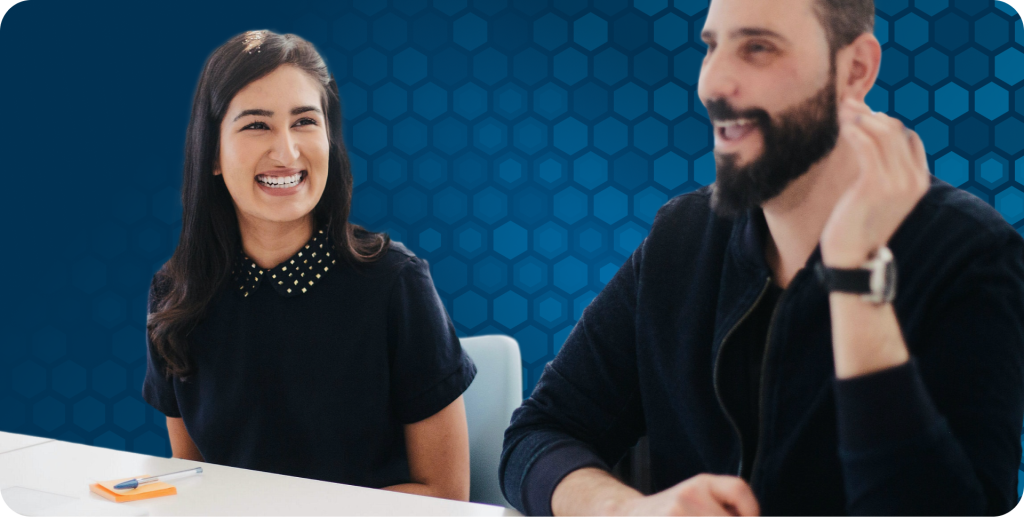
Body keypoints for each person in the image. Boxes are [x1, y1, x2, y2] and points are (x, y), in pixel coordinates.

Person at [499, 0, 1024, 516]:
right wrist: (623, 508)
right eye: (711, 47)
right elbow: (539, 433)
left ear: (856, 69)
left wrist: (855, 276)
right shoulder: (680, 238)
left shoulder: (972, 256)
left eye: (757, 48)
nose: (711, 85)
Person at [143, 30, 476, 501]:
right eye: (257, 125)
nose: (287, 151)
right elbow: (193, 476)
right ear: (212, 154)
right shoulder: (175, 293)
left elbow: (445, 493)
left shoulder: (395, 283)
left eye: (304, 122)